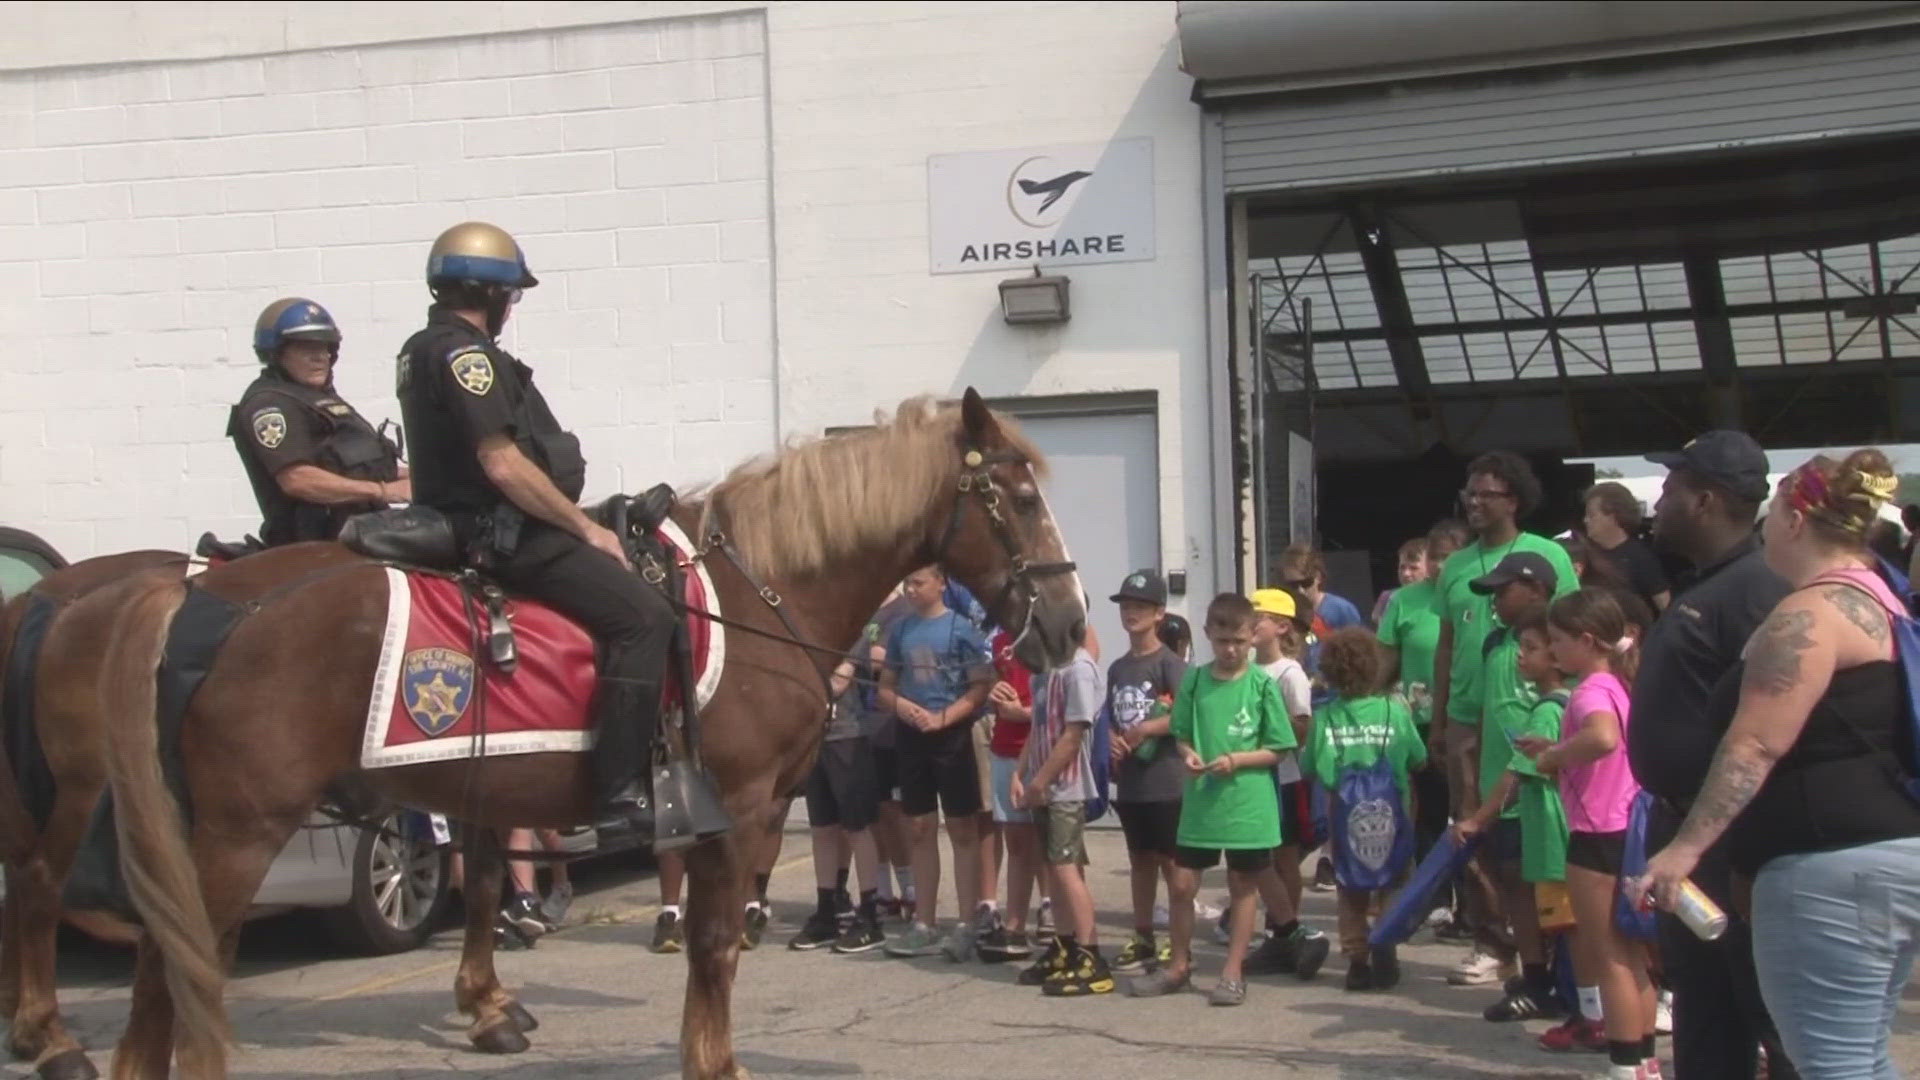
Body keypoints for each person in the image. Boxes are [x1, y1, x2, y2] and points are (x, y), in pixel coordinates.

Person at [395, 221, 722, 847]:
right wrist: (583, 529)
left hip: (477, 522)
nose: (511, 309)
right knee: (645, 618)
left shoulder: (422, 348)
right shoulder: (468, 358)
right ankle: (617, 791)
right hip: (503, 532)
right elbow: (501, 462)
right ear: (489, 294)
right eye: (510, 296)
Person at [1639, 450, 1920, 1080]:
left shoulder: (1809, 615)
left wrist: (1684, 850)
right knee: (1862, 1057)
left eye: (1771, 514)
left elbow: (1755, 745)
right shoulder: (1885, 600)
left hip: (1828, 869)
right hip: (1883, 855)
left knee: (1832, 1063)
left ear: (1795, 520)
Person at [1625, 430, 1796, 1080]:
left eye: (1670, 488)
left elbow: (1773, 729)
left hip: (1730, 843)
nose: (1659, 502)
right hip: (1687, 836)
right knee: (1706, 1017)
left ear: (1706, 500)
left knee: (1765, 1014)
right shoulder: (1710, 584)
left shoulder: (1758, 590)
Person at [1127, 593, 1328, 1006]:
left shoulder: (1261, 685)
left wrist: (1237, 760)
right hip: (1201, 802)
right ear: (1208, 636)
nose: (1231, 650)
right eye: (1222, 642)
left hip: (1247, 804)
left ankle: (1233, 972)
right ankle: (1179, 966)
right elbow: (1181, 731)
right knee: (1182, 884)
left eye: (1239, 641)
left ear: (1252, 636)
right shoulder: (1196, 681)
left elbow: (1280, 746)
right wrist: (1187, 753)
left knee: (1242, 884)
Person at [1432, 452, 1579, 988]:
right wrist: (1442, 717)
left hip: (1534, 721)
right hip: (1469, 717)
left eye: (1485, 494)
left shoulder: (1546, 558)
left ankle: (1556, 957)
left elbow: (1574, 627)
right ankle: (1492, 942)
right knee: (1471, 832)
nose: (1473, 502)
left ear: (1513, 500)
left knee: (1533, 842)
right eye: (1469, 493)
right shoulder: (1454, 565)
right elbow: (1447, 641)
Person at [1526, 589, 1656, 1078]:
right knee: (1635, 957)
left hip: (1596, 833)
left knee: (1611, 960)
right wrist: (1558, 744)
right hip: (1628, 828)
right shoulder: (1621, 685)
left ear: (1586, 640)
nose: (1553, 651)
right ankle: (1645, 1063)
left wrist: (1554, 757)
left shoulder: (1589, 689)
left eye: (1558, 641)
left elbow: (1601, 738)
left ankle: (1624, 1066)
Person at [1464, 551, 1572, 1021]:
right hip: (1500, 787)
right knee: (1514, 887)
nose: (1495, 602)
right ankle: (1535, 973)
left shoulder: (1556, 650)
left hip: (1535, 794)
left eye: (1503, 591)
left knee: (1544, 891)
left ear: (1537, 591)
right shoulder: (1494, 643)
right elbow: (1486, 716)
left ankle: (1555, 980)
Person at [876, 565, 994, 960]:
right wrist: (904, 707)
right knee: (920, 827)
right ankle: (923, 922)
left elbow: (980, 687)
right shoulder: (902, 630)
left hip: (952, 735)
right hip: (912, 735)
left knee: (962, 828)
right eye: (907, 583)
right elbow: (885, 689)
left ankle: (965, 921)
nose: (911, 589)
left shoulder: (962, 629)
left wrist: (944, 718)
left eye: (919, 582)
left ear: (941, 583)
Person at [229, 297, 407, 547]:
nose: (320, 357)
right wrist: (382, 491)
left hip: (361, 532)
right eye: (306, 348)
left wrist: (422, 479)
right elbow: (297, 479)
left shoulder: (320, 400)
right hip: (315, 546)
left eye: (325, 348)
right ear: (278, 353)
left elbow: (355, 467)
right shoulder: (270, 403)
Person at [1303, 628, 1425, 991]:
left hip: (1345, 817)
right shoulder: (1394, 711)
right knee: (1391, 883)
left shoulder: (1326, 718)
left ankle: (1357, 960)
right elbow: (1417, 758)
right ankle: (1385, 941)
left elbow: (1314, 767)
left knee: (1350, 889)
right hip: (1394, 812)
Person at [1011, 627, 1110, 996]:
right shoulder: (1045, 669)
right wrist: (1021, 774)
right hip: (1042, 785)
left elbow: (1074, 733)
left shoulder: (1079, 669)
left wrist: (1042, 780)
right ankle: (1065, 946)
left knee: (1068, 868)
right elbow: (1038, 727)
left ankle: (1092, 955)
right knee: (1053, 867)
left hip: (1065, 786)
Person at [1103, 570, 1189, 977]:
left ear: (1159, 613)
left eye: (1140, 606)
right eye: (1126, 606)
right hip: (1132, 782)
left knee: (1171, 862)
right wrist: (1113, 739)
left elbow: (1185, 717)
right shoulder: (1119, 668)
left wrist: (1145, 729)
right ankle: (1142, 935)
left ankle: (1176, 935)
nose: (1131, 613)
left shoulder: (1170, 664)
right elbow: (1110, 715)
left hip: (1167, 779)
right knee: (1139, 860)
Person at [787, 652, 887, 954]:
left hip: (847, 735)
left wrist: (797, 690)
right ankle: (826, 909)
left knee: (857, 827)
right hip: (814, 738)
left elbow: (838, 682)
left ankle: (869, 911)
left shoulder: (849, 634)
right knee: (823, 828)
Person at [1582, 482, 1672, 613]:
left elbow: (1665, 607)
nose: (1585, 520)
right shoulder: (1582, 553)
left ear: (1613, 517)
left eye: (1591, 515)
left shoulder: (1642, 559)